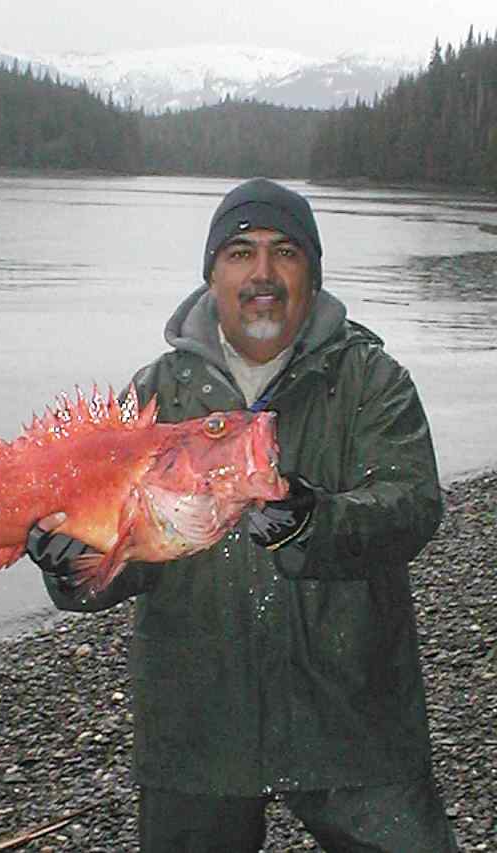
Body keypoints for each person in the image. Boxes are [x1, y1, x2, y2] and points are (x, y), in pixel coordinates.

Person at [27, 178, 458, 852]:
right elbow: (117, 562)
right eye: (240, 252)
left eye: (285, 252)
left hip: (353, 718)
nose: (262, 273)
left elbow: (411, 506)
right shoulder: (153, 395)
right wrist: (72, 565)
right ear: (211, 276)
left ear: (312, 276)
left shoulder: (371, 380)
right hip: (197, 726)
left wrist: (314, 522)